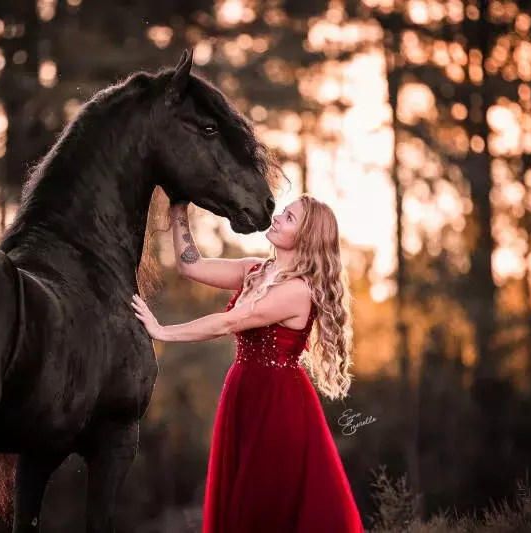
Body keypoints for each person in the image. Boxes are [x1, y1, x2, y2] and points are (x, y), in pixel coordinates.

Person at [130, 195, 364, 533]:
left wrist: (163, 331)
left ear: (306, 235)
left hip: (279, 404)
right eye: (283, 211)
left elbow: (229, 323)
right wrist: (179, 207)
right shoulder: (256, 269)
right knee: (239, 500)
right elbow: (190, 265)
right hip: (243, 392)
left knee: (262, 504)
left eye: (290, 217)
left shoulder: (299, 290)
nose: (278, 216)